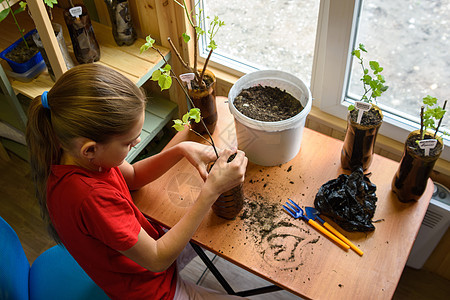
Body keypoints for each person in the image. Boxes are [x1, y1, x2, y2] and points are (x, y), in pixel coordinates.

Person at [26, 64, 248, 299]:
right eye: (128, 142)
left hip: (149, 248)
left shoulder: (79, 155)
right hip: (149, 288)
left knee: (218, 230)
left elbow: (132, 177)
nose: (138, 141)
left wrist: (180, 150)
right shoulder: (90, 198)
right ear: (90, 149)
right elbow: (157, 259)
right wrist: (211, 191)